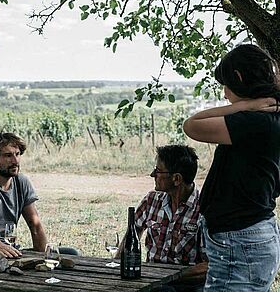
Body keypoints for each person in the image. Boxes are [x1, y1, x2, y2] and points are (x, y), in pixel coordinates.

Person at [183, 44, 280, 291]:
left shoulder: (256, 121)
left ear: (238, 77)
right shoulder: (272, 118)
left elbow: (192, 125)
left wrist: (244, 106)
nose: (225, 94)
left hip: (240, 240)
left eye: (225, 85)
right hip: (249, 236)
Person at [116, 145, 207, 292]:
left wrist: (169, 276)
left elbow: (209, 266)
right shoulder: (151, 200)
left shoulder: (204, 209)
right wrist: (114, 267)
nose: (153, 174)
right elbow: (131, 236)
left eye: (158, 171)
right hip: (150, 282)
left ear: (176, 178)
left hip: (186, 285)